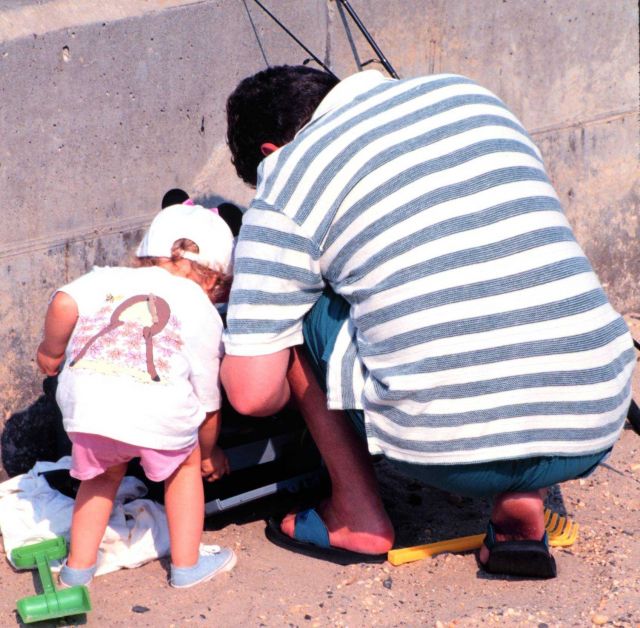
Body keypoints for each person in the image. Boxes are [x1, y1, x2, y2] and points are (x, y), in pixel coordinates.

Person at [221, 65, 635, 578]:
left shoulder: (288, 175)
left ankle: (357, 514)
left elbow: (252, 395)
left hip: (444, 454)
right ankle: (519, 494)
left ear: (267, 152)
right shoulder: (470, 93)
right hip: (593, 423)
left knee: (293, 316)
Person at [36, 203, 237, 588]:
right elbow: (208, 400)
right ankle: (186, 565)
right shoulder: (201, 308)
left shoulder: (107, 277)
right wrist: (210, 451)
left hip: (90, 408)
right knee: (184, 468)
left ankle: (77, 570)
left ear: (144, 255)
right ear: (215, 282)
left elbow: (63, 302)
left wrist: (51, 351)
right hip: (159, 410)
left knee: (101, 477)